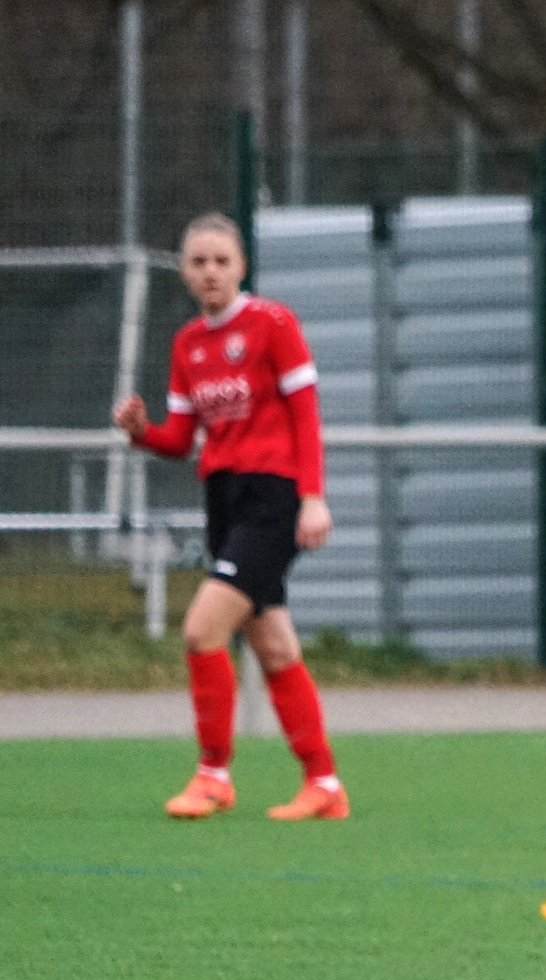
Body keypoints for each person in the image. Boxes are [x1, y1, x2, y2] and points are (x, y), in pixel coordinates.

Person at [112, 212, 349, 822]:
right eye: (199, 262)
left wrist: (313, 497)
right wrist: (140, 432)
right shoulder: (188, 343)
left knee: (201, 631)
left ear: (241, 266)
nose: (211, 271)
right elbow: (180, 438)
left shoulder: (272, 323)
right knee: (273, 645)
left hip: (273, 497)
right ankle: (324, 784)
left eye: (222, 260)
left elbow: (306, 414)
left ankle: (213, 775)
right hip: (223, 500)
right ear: (184, 272)